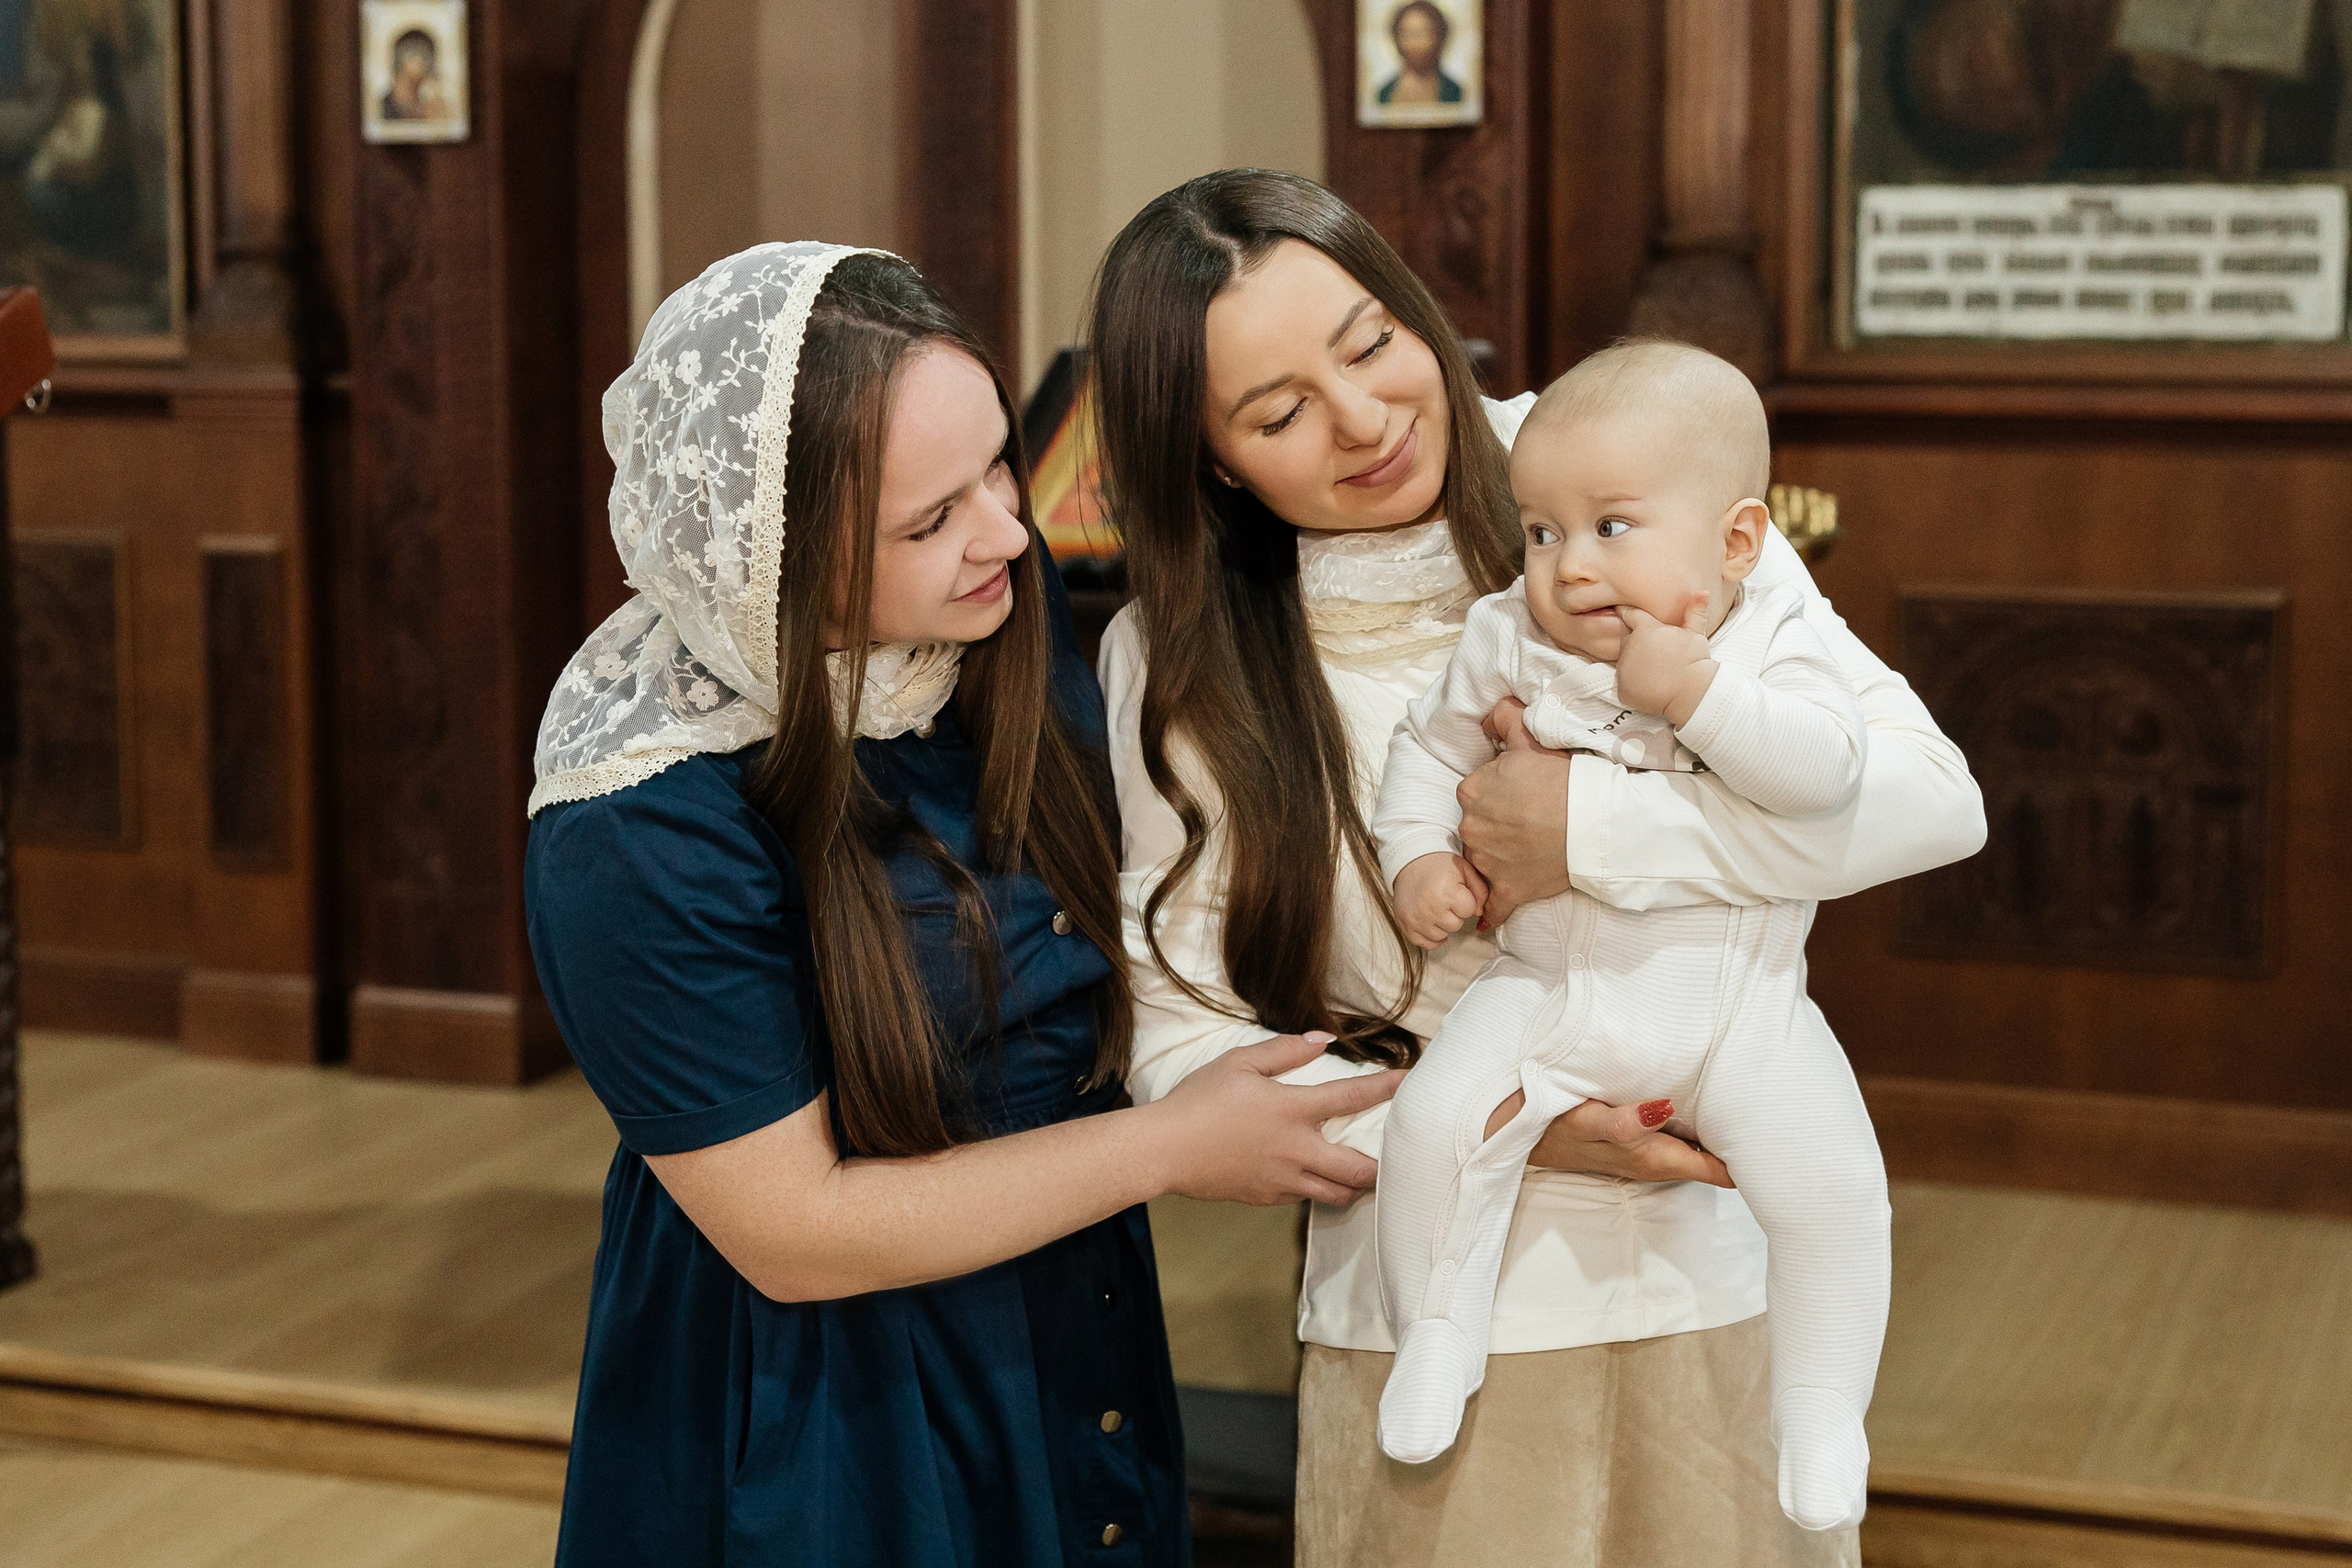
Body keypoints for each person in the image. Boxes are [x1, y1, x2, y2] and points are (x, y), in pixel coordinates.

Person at [1087, 170, 1984, 1568]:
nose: (1366, 418)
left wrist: (1587, 835)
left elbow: (1930, 803)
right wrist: (1507, 1125)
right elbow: (1180, 1035)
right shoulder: (1180, 655)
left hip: (1710, 1261)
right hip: (1429, 1311)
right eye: (1278, 414)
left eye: (1372, 343)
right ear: (1211, 461)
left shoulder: (1616, 469)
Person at [524, 242, 1399, 1567]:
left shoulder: (989, 625)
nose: (1004, 531)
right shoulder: (639, 823)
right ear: (772, 560)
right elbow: (794, 1233)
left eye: (999, 466)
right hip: (829, 1403)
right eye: (928, 519)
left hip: (1062, 1312)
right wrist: (1167, 1148)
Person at [1370, 342, 1891, 1538]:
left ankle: (1822, 1404)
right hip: (1551, 987)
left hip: (1743, 1013)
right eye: (1541, 531)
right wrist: (1415, 860)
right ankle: (1435, 1325)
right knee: (1434, 1123)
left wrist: (1697, 692)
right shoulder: (1507, 633)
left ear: (1737, 542)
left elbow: (1826, 774)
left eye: (1611, 526)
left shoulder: (1776, 642)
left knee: (1836, 1190)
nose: (1568, 565)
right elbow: (1426, 750)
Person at [1377, 1, 1464, 107]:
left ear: (1438, 38)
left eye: (1423, 33)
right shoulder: (1386, 93)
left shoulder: (1453, 91)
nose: (1415, 43)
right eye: (1408, 33)